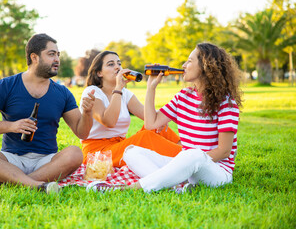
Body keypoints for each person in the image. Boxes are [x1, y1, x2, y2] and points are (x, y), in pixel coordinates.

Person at [87, 43, 243, 193]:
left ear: (205, 66)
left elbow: (224, 151)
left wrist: (187, 164)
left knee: (192, 154)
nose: (183, 65)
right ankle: (175, 187)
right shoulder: (183, 97)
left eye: (189, 61)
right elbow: (151, 124)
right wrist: (151, 88)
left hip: (216, 171)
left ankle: (128, 188)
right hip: (188, 167)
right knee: (131, 152)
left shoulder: (225, 103)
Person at [0, 33, 95, 194]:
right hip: (12, 158)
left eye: (58, 55)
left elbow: (82, 132)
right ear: (34, 57)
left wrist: (87, 113)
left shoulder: (63, 93)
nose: (57, 59)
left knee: (75, 153)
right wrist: (12, 126)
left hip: (47, 161)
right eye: (51, 54)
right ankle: (36, 185)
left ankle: (12, 182)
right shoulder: (6, 85)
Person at [80, 51, 182, 168]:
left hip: (120, 146)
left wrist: (151, 85)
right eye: (111, 64)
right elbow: (109, 122)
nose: (117, 67)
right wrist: (118, 88)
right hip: (97, 154)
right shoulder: (92, 92)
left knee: (158, 128)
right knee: (144, 138)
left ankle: (189, 150)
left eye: (119, 63)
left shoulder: (125, 94)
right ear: (99, 73)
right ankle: (185, 158)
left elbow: (151, 119)